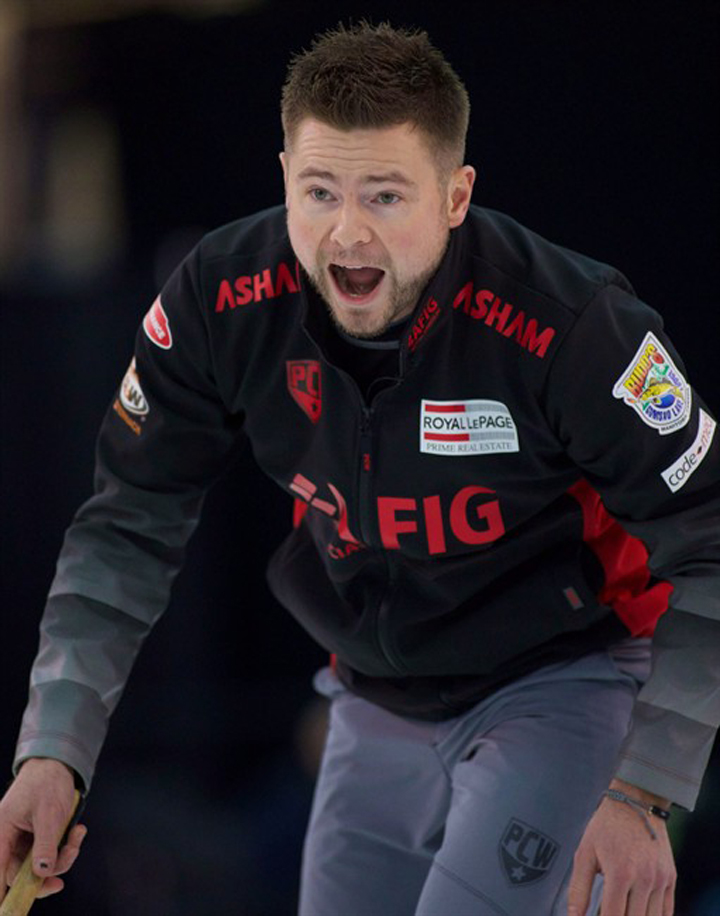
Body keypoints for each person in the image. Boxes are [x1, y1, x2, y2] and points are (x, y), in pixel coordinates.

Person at [1, 20, 718, 916]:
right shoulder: (219, 297)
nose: (347, 234)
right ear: (283, 179)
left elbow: (710, 544)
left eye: (385, 196)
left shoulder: (577, 328)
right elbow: (125, 522)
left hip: (564, 683)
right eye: (319, 191)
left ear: (456, 197)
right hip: (371, 699)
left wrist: (645, 787)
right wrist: (52, 749)